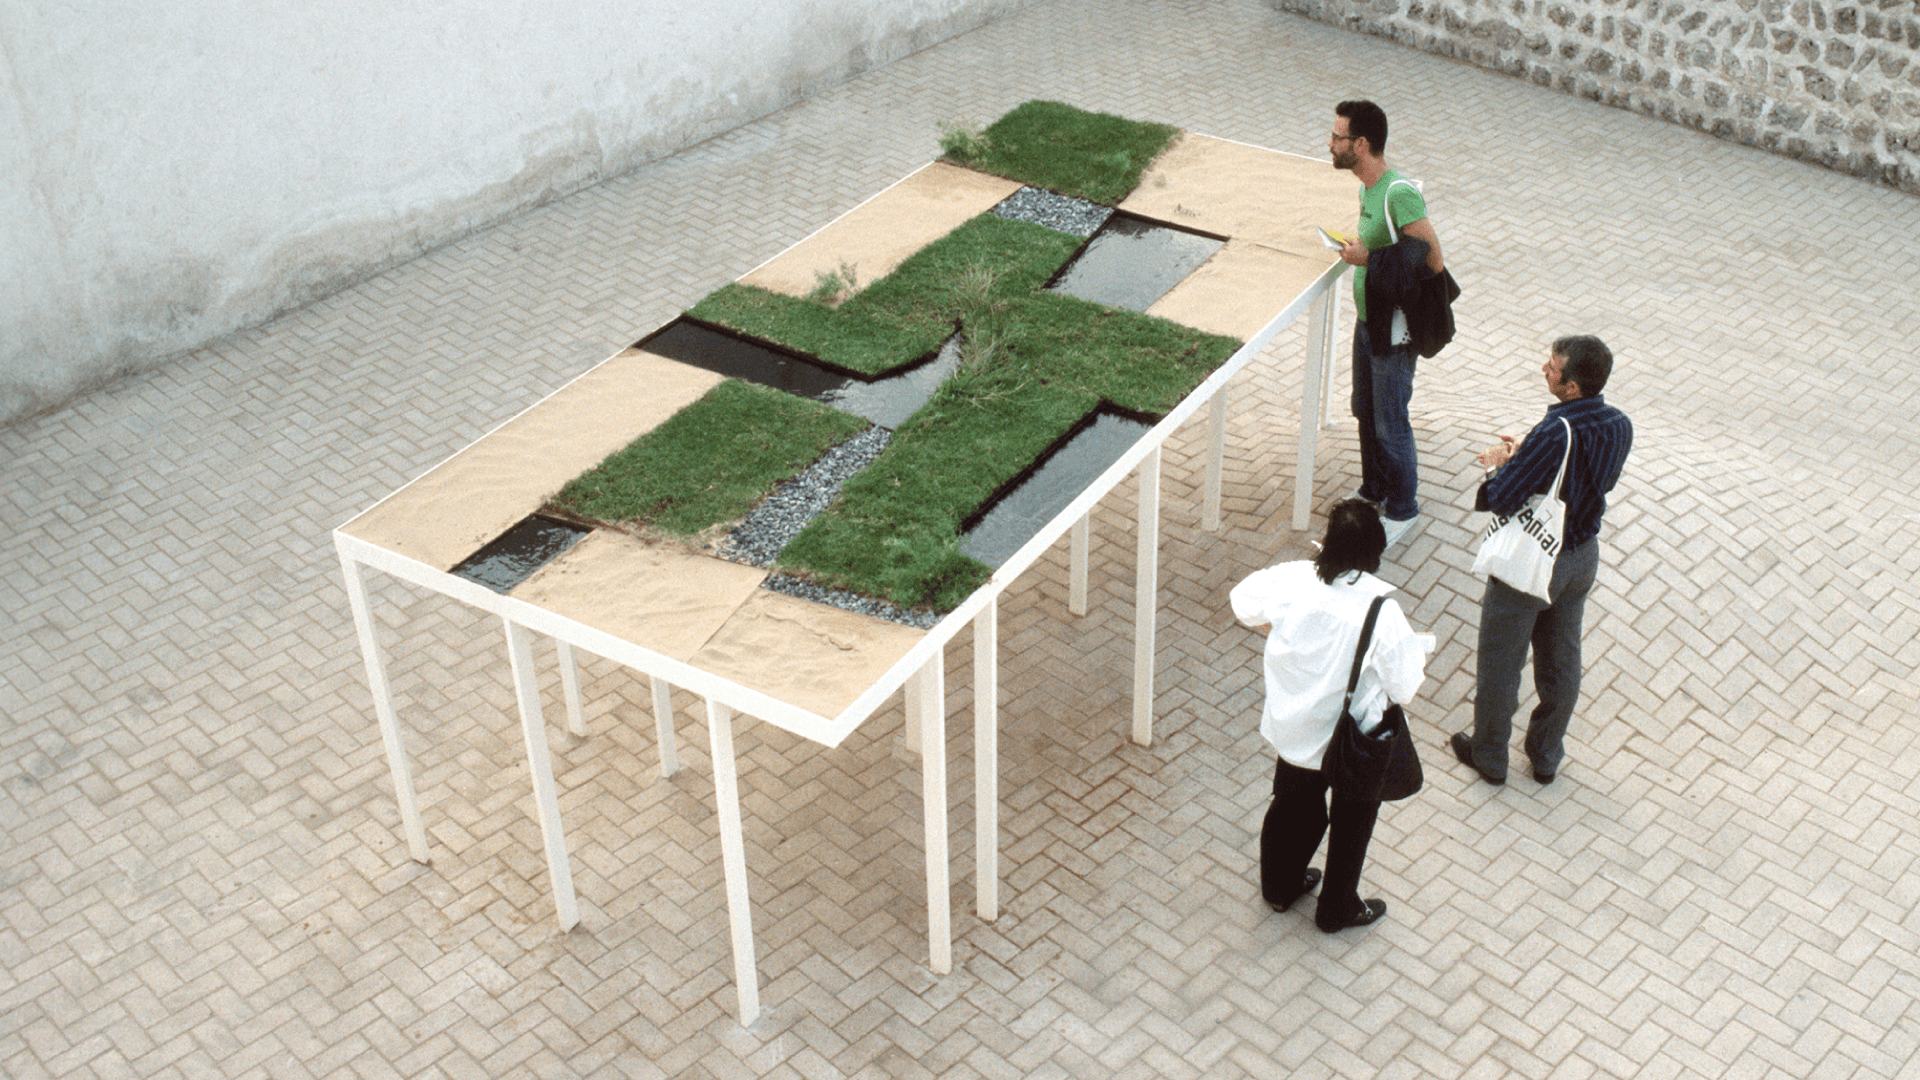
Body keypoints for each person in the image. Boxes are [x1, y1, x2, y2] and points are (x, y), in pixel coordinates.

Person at [1230, 499, 1427, 932]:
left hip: (1296, 727)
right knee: (1353, 821)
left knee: (1290, 807)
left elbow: (1241, 601)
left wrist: (1278, 636)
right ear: (1373, 552)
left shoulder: (1293, 578)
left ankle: (1280, 887)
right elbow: (1405, 687)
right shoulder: (1381, 611)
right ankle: (1337, 908)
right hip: (1353, 738)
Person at [1452, 336, 1633, 785]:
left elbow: (1503, 498)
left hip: (1535, 562)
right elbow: (1591, 479)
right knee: (1560, 660)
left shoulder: (1556, 432)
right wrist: (1528, 454)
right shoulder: (1619, 424)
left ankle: (1490, 756)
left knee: (1501, 661)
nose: (1543, 370)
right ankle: (1546, 754)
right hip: (1580, 558)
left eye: (1552, 368)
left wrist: (1501, 464)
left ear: (1571, 387)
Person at [1329, 100, 1445, 549]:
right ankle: (1373, 488)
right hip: (1367, 320)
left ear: (1360, 144)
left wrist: (1369, 259)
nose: (1330, 143)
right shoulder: (1365, 189)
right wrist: (1362, 249)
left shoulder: (1399, 193)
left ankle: (1403, 507)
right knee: (1364, 407)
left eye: (1338, 137)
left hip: (1393, 330)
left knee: (1390, 419)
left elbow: (1431, 258)